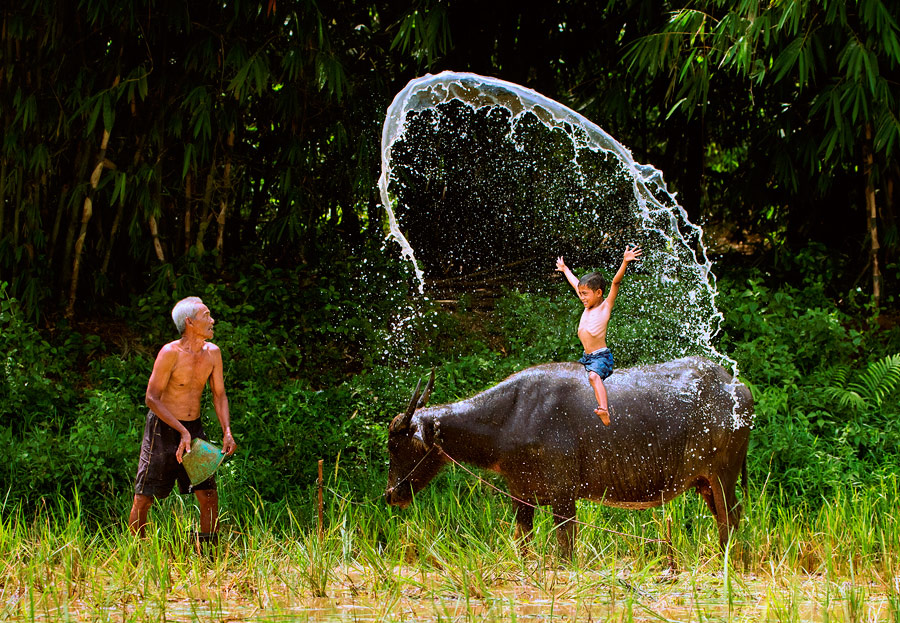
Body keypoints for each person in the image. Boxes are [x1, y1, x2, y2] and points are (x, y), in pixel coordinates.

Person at [128, 296, 237, 544]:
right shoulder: (170, 352)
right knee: (144, 497)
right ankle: (135, 554)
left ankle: (208, 556)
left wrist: (226, 431)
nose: (212, 321)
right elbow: (151, 398)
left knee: (208, 494)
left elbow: (219, 395)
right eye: (206, 316)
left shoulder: (213, 353)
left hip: (193, 427)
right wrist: (181, 432)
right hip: (162, 427)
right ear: (189, 322)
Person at [556, 246, 642, 425]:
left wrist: (625, 262)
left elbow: (615, 283)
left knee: (593, 377)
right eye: (580, 294)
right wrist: (565, 269)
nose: (582, 298)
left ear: (599, 293)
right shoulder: (587, 305)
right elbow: (575, 282)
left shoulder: (605, 307)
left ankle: (604, 409)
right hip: (586, 357)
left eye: (585, 294)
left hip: (601, 357)